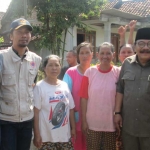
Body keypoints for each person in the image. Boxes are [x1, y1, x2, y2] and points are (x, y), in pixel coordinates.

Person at [0, 18, 42, 150]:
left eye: (27, 32)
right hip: (6, 121)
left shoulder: (36, 59)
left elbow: (32, 86)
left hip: (26, 120)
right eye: (20, 32)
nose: (24, 35)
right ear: (11, 36)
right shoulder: (2, 58)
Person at [79, 42, 120, 150]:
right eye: (102, 53)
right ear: (97, 55)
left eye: (108, 53)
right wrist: (84, 121)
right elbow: (84, 98)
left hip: (111, 123)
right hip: (92, 123)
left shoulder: (118, 72)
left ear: (113, 55)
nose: (105, 56)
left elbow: (121, 97)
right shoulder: (89, 72)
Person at [114, 27, 150, 150]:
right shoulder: (127, 63)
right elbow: (120, 89)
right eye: (141, 44)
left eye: (149, 44)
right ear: (135, 47)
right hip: (129, 126)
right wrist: (117, 113)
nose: (146, 47)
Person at [33, 55, 76, 150]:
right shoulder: (39, 87)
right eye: (50, 65)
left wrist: (73, 128)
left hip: (64, 136)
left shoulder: (64, 85)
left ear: (60, 67)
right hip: (46, 138)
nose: (54, 68)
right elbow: (35, 113)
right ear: (44, 68)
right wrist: (37, 134)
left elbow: (71, 108)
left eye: (56, 65)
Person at [63, 41, 93, 150]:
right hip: (75, 120)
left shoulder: (95, 72)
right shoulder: (71, 72)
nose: (85, 56)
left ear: (92, 54)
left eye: (87, 52)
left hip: (93, 120)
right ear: (78, 56)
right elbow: (65, 95)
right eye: (82, 53)